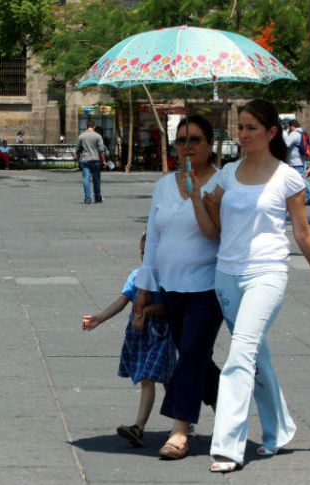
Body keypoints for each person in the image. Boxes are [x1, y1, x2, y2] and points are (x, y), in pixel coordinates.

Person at [198, 100, 310, 473]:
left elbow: (304, 235)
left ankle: (227, 445)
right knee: (257, 355)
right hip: (227, 275)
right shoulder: (227, 173)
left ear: (271, 132)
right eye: (239, 127)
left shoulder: (288, 178)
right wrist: (208, 202)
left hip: (267, 274)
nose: (242, 135)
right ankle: (278, 430)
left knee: (239, 353)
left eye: (251, 128)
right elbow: (214, 216)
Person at [132, 115, 224, 461]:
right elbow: (153, 239)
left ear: (210, 144)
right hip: (171, 287)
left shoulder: (221, 182)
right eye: (181, 140)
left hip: (208, 285)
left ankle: (180, 429)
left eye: (195, 140)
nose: (187, 146)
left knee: (190, 355)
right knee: (196, 357)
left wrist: (196, 195)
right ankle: (232, 404)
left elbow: (214, 233)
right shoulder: (163, 185)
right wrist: (144, 289)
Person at [82, 233, 176, 448]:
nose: (145, 257)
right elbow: (122, 301)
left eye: (150, 253)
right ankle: (142, 427)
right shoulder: (136, 276)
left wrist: (148, 311)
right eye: (142, 253)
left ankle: (170, 420)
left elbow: (169, 307)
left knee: (159, 378)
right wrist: (99, 318)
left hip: (161, 334)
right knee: (150, 378)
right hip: (140, 336)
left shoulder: (168, 277)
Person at [75, 121, 107, 204]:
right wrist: (103, 160)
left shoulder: (81, 136)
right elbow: (101, 150)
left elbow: (78, 149)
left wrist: (77, 159)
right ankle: (97, 197)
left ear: (86, 127)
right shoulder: (97, 136)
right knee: (96, 179)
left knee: (86, 179)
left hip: (85, 160)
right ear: (94, 127)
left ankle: (88, 198)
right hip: (95, 159)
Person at [284, 120, 310, 206]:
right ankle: (300, 196)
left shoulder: (294, 134)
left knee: (301, 180)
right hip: (301, 160)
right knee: (299, 179)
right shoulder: (303, 133)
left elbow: (286, 144)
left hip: (295, 162)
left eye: (289, 127)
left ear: (292, 126)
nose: (289, 129)